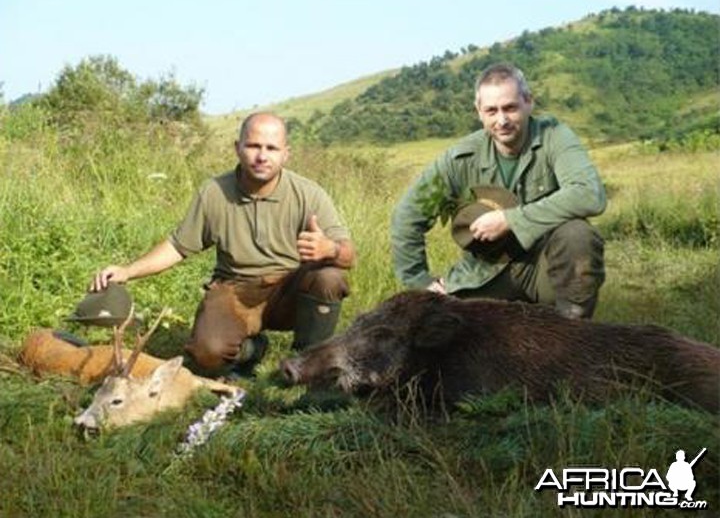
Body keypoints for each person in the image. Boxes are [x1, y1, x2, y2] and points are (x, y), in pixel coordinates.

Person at [91, 112, 356, 375]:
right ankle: (252, 349)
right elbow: (177, 246)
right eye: (253, 146)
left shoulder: (309, 194)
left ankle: (307, 363)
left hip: (289, 290)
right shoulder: (214, 192)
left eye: (271, 148)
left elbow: (349, 256)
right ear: (237, 148)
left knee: (329, 277)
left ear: (286, 154)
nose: (262, 156)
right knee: (207, 355)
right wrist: (128, 271)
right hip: (235, 291)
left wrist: (330, 249)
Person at [391, 62, 606, 319]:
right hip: (483, 273)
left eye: (510, 108)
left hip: (544, 268)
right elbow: (407, 215)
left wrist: (510, 220)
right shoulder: (458, 160)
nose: (502, 120)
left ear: (529, 102)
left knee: (578, 234)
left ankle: (572, 331)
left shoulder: (554, 136)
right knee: (443, 330)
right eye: (491, 111)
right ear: (478, 112)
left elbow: (589, 194)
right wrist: (420, 283)